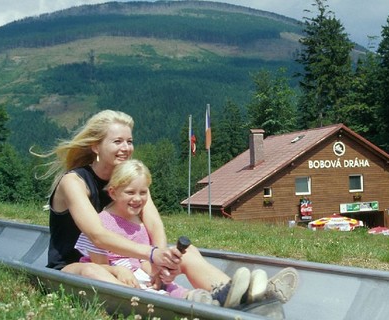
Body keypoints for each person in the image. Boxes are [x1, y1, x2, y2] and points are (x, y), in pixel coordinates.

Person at [32, 109, 298, 308]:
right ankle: (156, 305)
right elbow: (98, 236)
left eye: (129, 141)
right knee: (94, 271)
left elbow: (154, 223)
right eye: (117, 142)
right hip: (77, 265)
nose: (126, 148)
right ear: (95, 146)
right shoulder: (75, 182)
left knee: (186, 252)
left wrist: (161, 261)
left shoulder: (128, 180)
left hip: (131, 262)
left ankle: (233, 294)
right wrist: (151, 254)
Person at [74, 159, 216, 304]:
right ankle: (151, 300)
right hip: (117, 279)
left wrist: (156, 271)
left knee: (171, 285)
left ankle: (198, 296)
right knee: (96, 274)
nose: (137, 199)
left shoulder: (140, 222)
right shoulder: (101, 223)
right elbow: (99, 265)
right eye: (130, 192)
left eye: (143, 192)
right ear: (113, 193)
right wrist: (118, 271)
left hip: (142, 278)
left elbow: (143, 260)